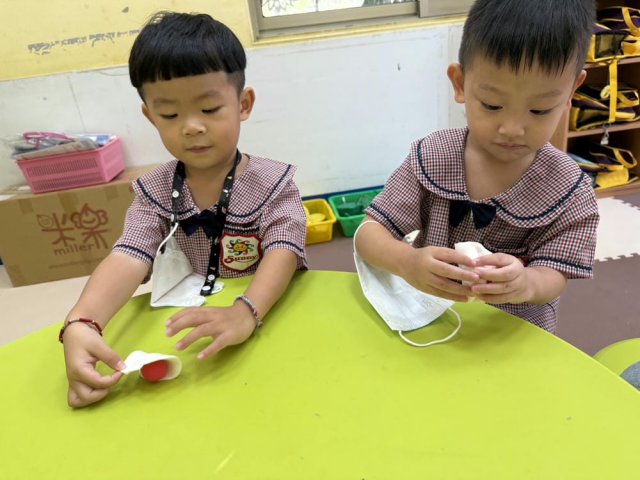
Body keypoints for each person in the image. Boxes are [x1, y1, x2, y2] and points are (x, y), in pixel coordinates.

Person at [59, 11, 307, 408]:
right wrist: (82, 321)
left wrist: (246, 311)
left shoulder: (273, 183)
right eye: (170, 115)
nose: (191, 126)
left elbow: (284, 250)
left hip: (269, 315)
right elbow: (129, 254)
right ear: (150, 116)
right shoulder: (154, 191)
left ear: (243, 103)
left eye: (209, 109)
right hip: (191, 332)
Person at [355, 0, 599, 334]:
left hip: (510, 334)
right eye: (492, 105)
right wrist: (408, 262)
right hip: (430, 320)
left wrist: (526, 283)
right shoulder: (433, 157)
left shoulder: (569, 190)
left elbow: (554, 275)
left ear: (572, 90)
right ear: (460, 83)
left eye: (539, 110)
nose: (512, 129)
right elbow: (369, 234)